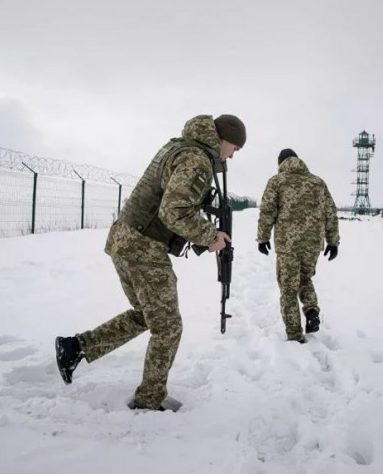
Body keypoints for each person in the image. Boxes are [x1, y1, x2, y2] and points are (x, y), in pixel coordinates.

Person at [55, 114, 246, 410]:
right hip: (142, 246)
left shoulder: (182, 147)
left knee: (148, 315)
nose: (234, 154)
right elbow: (174, 211)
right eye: (235, 147)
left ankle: (76, 348)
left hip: (127, 239)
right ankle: (149, 400)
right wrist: (210, 236)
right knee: (168, 326)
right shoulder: (196, 158)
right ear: (224, 139)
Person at [256, 148, 339, 343]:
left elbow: (267, 212)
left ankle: (294, 335)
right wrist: (333, 241)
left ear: (280, 163)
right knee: (305, 279)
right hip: (312, 244)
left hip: (288, 245)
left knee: (288, 289)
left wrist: (263, 238)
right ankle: (311, 310)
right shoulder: (318, 183)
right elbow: (330, 213)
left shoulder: (276, 181)